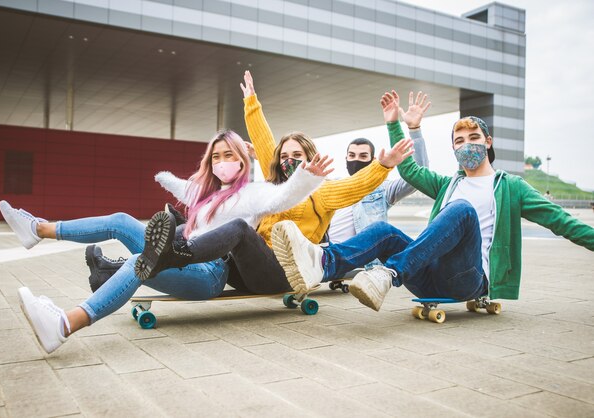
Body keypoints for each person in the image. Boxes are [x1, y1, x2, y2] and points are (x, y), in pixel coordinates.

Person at [6, 129, 332, 354]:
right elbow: (175, 184)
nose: (222, 161)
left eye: (229, 155)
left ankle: (63, 325)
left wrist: (307, 176)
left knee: (140, 262)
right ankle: (39, 230)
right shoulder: (205, 195)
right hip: (185, 260)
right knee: (121, 221)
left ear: (243, 161)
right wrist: (162, 176)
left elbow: (285, 196)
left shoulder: (255, 193)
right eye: (216, 156)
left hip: (208, 274)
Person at [271, 90, 594, 311]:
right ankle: (324, 265)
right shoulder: (447, 184)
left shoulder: (511, 187)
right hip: (426, 276)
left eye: (473, 139)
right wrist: (400, 125)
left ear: (488, 142)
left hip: (469, 279)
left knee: (462, 211)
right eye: (459, 141)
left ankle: (388, 274)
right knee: (384, 231)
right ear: (453, 149)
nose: (466, 145)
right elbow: (409, 169)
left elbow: (561, 222)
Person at [131, 71, 414, 296]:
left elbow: (358, 186)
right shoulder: (275, 184)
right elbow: (267, 144)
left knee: (236, 227)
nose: (289, 161)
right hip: (247, 262)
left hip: (282, 270)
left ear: (310, 158)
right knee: (187, 225)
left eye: (297, 156)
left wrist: (384, 164)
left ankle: (175, 253)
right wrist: (251, 103)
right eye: (285, 156)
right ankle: (125, 264)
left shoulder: (322, 191)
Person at [327, 92, 430, 271]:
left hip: (359, 263)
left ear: (373, 159)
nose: (356, 160)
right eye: (352, 156)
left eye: (362, 156)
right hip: (327, 254)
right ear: (345, 158)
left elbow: (418, 176)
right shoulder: (334, 186)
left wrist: (414, 129)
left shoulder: (382, 189)